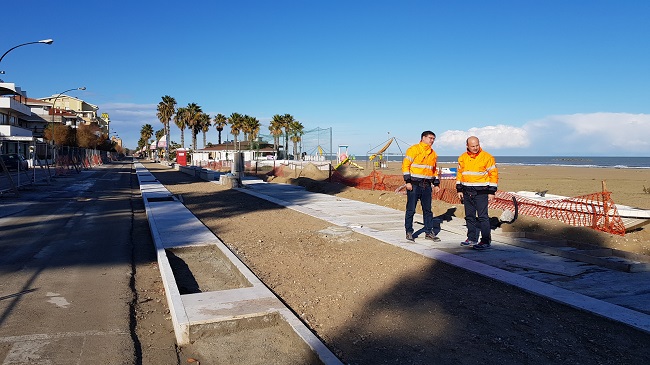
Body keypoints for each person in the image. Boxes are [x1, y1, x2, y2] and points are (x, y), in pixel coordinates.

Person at [456, 136, 498, 250]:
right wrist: (459, 189)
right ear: (467, 146)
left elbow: (493, 175)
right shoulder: (462, 158)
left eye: (477, 145)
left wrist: (492, 192)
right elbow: (460, 174)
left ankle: (485, 241)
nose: (475, 148)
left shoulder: (487, 157)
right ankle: (471, 238)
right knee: (469, 216)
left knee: (483, 217)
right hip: (466, 191)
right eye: (473, 146)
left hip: (481, 192)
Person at [402, 130, 441, 242]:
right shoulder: (414, 149)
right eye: (430, 138)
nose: (432, 140)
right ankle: (409, 232)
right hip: (414, 185)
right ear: (423, 138)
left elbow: (434, 170)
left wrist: (436, 183)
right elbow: (406, 166)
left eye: (433, 139)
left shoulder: (433, 154)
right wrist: (407, 181)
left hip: (427, 185)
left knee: (428, 210)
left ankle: (429, 232)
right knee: (411, 210)